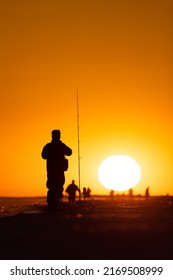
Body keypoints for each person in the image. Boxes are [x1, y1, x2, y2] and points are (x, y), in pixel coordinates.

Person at [41, 130, 72, 211]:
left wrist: (61, 147)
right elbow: (43, 155)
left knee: (57, 188)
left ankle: (54, 205)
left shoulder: (59, 146)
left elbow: (69, 152)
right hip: (53, 171)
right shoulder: (50, 146)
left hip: (57, 171)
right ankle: (52, 205)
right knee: (54, 188)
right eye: (56, 135)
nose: (57, 136)